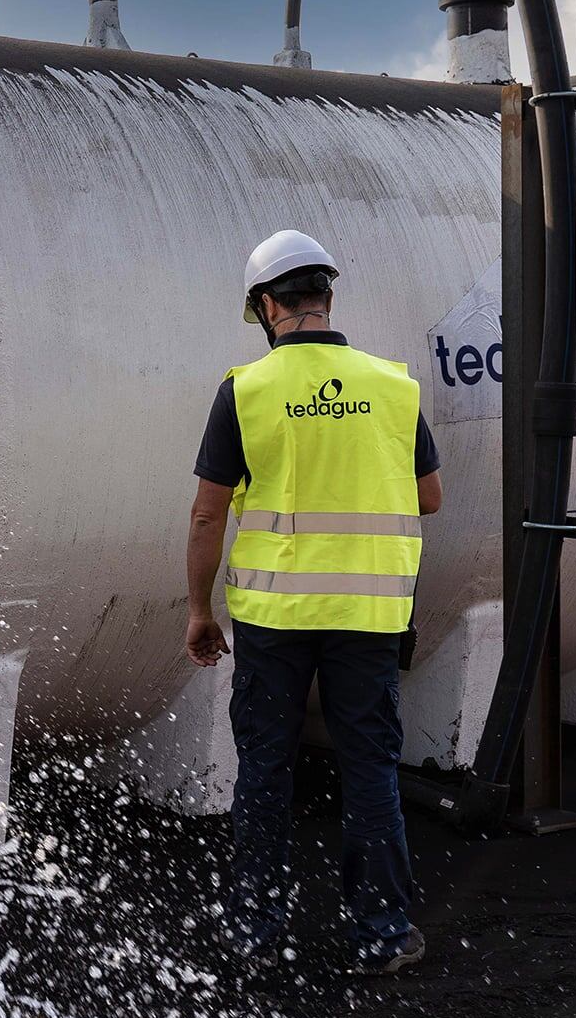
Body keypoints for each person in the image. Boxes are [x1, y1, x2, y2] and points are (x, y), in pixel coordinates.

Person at [183, 229, 442, 976]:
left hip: (273, 618)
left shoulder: (247, 391)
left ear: (267, 307)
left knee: (265, 770)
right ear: (326, 298)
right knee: (370, 769)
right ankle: (382, 933)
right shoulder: (393, 387)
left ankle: (255, 933)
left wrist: (200, 612)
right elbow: (428, 497)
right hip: (368, 617)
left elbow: (207, 515)